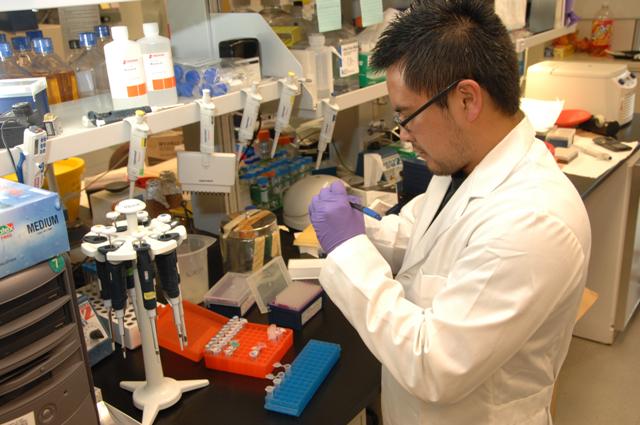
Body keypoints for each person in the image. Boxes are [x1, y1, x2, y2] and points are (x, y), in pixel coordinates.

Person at [308, 1, 591, 424]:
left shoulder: (532, 221)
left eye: (407, 116)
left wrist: (348, 250)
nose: (403, 135)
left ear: (465, 100)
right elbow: (426, 238)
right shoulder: (465, 162)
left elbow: (433, 366)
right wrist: (363, 227)